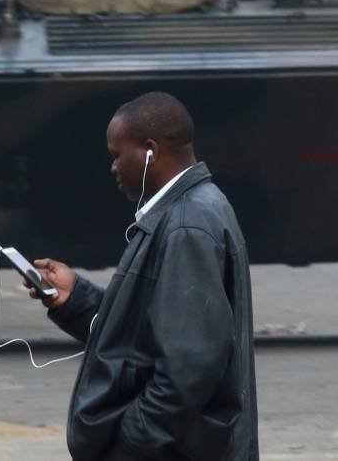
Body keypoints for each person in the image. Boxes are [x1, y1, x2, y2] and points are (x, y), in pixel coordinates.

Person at [28, 92, 258, 461]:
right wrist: (76, 300)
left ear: (150, 151)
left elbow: (188, 370)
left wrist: (129, 443)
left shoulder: (187, 225)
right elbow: (144, 335)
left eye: (117, 155)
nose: (113, 168)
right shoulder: (186, 213)